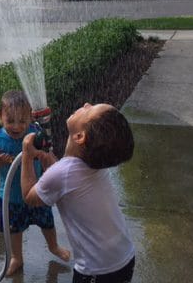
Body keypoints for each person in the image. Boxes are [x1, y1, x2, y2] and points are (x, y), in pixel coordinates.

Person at [21, 103, 136, 283]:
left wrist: (27, 154)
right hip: (124, 257)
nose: (86, 104)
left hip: (98, 271)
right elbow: (68, 179)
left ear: (80, 136)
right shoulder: (95, 164)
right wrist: (49, 162)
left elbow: (30, 197)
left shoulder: (62, 174)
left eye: (89, 110)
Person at [0, 90, 71, 276]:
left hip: (36, 192)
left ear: (30, 117)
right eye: (10, 121)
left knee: (47, 222)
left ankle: (53, 246)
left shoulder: (35, 134)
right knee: (14, 229)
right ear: (0, 117)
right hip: (10, 197)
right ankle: (16, 257)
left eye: (22, 121)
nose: (17, 126)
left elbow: (49, 154)